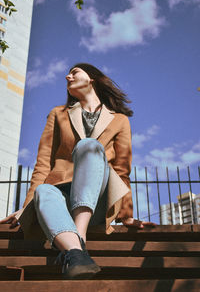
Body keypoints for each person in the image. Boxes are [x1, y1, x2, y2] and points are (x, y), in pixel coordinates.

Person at [0, 63, 155, 279]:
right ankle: (76, 254)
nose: (67, 76)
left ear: (91, 78)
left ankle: (78, 236)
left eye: (74, 72)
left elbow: (122, 169)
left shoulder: (119, 120)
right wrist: (27, 207)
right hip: (60, 199)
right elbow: (43, 163)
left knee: (88, 146)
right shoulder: (58, 114)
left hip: (98, 201)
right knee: (44, 191)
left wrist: (126, 215)